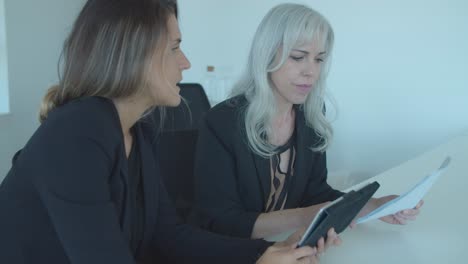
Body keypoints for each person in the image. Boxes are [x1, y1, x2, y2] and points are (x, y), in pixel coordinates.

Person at [0, 0, 321, 263]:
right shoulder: (77, 132)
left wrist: (265, 253)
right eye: (175, 47)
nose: (185, 62)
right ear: (133, 54)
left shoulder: (136, 133)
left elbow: (169, 235)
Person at [190, 3, 423, 241]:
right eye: (298, 57)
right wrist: (306, 217)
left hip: (287, 245)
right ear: (266, 54)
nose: (311, 71)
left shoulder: (311, 114)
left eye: (319, 59)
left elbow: (315, 193)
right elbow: (221, 222)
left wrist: (373, 206)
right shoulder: (221, 122)